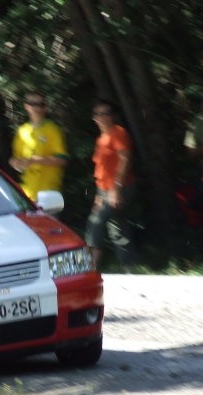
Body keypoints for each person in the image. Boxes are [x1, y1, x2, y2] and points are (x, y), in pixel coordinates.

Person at [84, 100, 137, 272]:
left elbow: (125, 158)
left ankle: (91, 269)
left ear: (112, 116)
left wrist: (117, 188)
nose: (101, 117)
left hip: (120, 188)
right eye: (97, 114)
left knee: (96, 221)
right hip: (105, 190)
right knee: (117, 227)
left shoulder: (118, 132)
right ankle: (130, 268)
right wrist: (99, 194)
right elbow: (101, 171)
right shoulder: (101, 139)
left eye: (105, 113)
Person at [9, 92, 68, 201]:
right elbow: (16, 159)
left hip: (50, 192)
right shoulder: (22, 131)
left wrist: (35, 160)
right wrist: (15, 163)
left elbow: (62, 160)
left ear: (45, 107)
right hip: (28, 193)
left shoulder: (53, 129)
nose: (37, 107)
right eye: (33, 103)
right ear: (26, 106)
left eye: (41, 104)